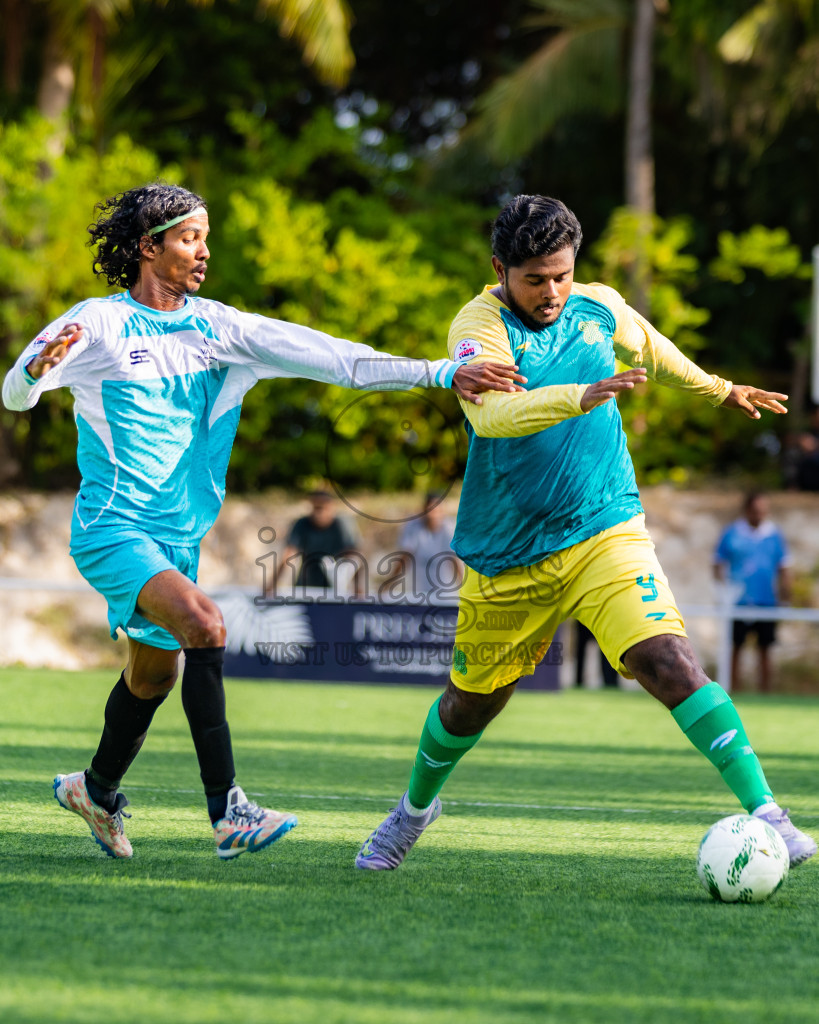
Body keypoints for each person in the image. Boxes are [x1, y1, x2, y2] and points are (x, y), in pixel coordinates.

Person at [1, 182, 524, 860]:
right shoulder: (99, 324)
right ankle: (228, 812)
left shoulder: (220, 330)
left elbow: (334, 359)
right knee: (208, 625)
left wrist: (436, 374)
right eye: (190, 238)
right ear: (147, 247)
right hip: (113, 528)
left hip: (177, 540)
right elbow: (16, 392)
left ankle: (95, 792)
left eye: (205, 237)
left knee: (152, 678)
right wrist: (34, 371)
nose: (204, 252)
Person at [355, 194, 816, 872]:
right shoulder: (477, 326)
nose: (550, 293)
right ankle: (413, 811)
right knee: (469, 706)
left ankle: (768, 814)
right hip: (505, 549)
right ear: (499, 269)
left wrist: (718, 389)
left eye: (561, 276)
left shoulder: (596, 305)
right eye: (534, 279)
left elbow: (651, 349)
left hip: (604, 527)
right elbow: (493, 418)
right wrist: (579, 395)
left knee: (667, 661)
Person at [713, 492, 792, 692]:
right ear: (747, 510)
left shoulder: (774, 535)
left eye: (763, 510)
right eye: (756, 510)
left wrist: (786, 591)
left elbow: (784, 566)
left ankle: (764, 693)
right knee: (736, 647)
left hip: (766, 601)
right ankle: (733, 691)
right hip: (738, 602)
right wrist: (724, 591)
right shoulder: (732, 533)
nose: (760, 514)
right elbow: (717, 563)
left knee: (765, 648)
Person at [272, 489, 364, 596]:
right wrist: (273, 583)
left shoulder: (342, 525)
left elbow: (355, 556)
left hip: (333, 590)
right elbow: (288, 555)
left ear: (331, 507)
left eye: (322, 507)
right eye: (315, 507)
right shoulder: (302, 524)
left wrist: (358, 588)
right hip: (306, 587)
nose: (318, 513)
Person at [379, 491, 463, 603]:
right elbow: (404, 559)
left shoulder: (450, 529)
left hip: (446, 597)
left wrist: (464, 589)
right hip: (419, 596)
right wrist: (388, 586)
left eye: (437, 510)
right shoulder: (413, 527)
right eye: (431, 510)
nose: (433, 514)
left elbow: (455, 561)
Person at [574, 620, 619, 688]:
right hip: (587, 617)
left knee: (607, 648)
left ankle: (610, 682)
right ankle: (578, 681)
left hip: (602, 618)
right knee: (581, 647)